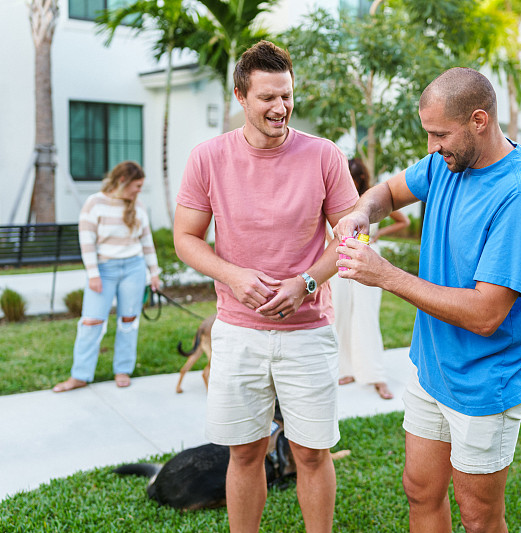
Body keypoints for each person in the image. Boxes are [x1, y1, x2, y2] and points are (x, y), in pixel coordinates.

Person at [334, 67, 521, 533]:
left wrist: (388, 276)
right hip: (432, 368)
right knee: (420, 490)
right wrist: (362, 210)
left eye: (440, 134)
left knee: (478, 517)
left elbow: (485, 315)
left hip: (485, 382)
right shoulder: (447, 162)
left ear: (480, 119)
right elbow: (391, 191)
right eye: (429, 134)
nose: (432, 146)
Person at [173, 40, 358, 533]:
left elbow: (352, 235)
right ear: (240, 96)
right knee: (244, 452)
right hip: (237, 332)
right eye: (267, 98)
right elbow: (185, 239)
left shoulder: (324, 156)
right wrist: (233, 276)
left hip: (308, 332)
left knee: (312, 454)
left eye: (287, 96)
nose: (280, 107)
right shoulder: (208, 158)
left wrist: (307, 282)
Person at [53, 160, 160, 393]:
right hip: (104, 269)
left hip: (133, 267)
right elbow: (87, 242)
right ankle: (79, 376)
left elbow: (146, 242)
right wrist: (93, 274)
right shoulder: (94, 203)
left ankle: (122, 369)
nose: (139, 191)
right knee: (91, 321)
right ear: (123, 181)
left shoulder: (137, 205)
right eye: (137, 186)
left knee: (129, 321)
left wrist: (154, 273)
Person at [333, 157, 409, 400]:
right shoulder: (335, 196)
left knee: (366, 315)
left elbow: (403, 221)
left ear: (360, 179)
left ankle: (375, 374)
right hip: (339, 260)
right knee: (340, 314)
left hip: (367, 258)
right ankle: (344, 368)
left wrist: (378, 234)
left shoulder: (372, 199)